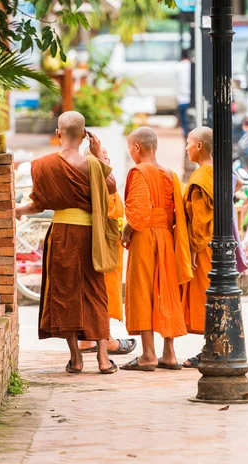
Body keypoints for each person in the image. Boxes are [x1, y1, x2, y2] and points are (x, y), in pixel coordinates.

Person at [16, 111, 118, 374]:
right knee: (95, 293)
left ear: (58, 133)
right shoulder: (93, 165)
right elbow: (111, 187)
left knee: (65, 295)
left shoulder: (44, 164)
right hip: (90, 236)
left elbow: (38, 205)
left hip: (61, 234)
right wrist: (99, 154)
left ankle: (76, 359)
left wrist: (18, 211)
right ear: (85, 135)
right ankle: (104, 360)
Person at [120, 127, 193, 371]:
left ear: (137, 148)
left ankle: (148, 355)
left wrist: (127, 229)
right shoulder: (170, 173)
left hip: (145, 237)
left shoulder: (138, 171)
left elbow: (139, 214)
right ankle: (169, 353)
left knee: (143, 291)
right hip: (167, 236)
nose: (130, 152)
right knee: (166, 290)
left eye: (130, 147)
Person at [78, 147, 137, 356]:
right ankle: (108, 340)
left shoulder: (86, 182)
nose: (108, 160)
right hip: (103, 247)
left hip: (93, 244)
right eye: (103, 157)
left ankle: (86, 340)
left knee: (90, 290)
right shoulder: (100, 183)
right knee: (102, 291)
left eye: (107, 156)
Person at [181, 126, 213, 368]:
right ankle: (213, 346)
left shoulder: (201, 177)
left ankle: (211, 348)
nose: (186, 148)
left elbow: (200, 219)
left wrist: (193, 247)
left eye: (189, 143)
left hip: (205, 247)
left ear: (199, 146)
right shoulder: (218, 173)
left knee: (207, 296)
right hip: (218, 244)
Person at [176, 49, 192, 138]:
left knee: (185, 125)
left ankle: (186, 142)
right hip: (190, 99)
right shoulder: (192, 66)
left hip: (182, 99)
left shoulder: (178, 67)